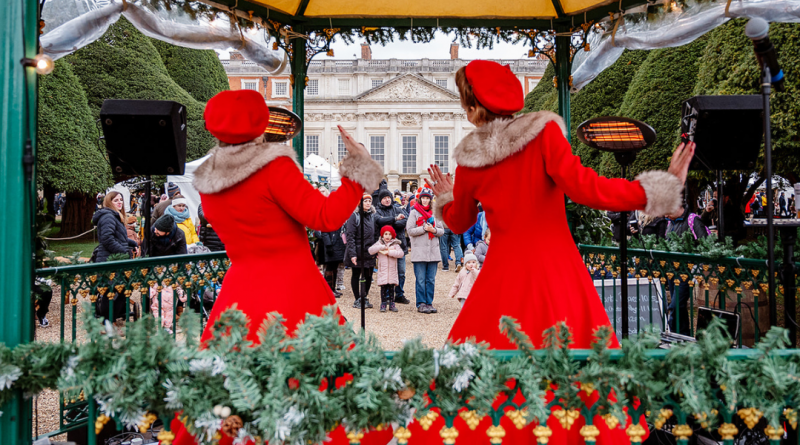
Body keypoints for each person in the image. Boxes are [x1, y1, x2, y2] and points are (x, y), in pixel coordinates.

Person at [423, 59, 693, 445]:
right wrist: (657, 190)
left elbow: (459, 223)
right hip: (556, 271)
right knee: (579, 369)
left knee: (486, 378)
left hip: (502, 278)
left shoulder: (471, 160)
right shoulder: (545, 134)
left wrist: (445, 195)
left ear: (472, 107)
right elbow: (588, 188)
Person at [171, 90, 385, 445]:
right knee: (319, 378)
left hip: (239, 290)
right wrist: (356, 169)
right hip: (292, 287)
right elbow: (326, 216)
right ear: (259, 125)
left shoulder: (207, 181)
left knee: (228, 385)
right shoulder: (274, 166)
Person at [665, 205, 709, 335]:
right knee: (680, 307)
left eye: (667, 212)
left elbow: (705, 243)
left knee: (675, 305)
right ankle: (682, 335)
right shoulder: (670, 222)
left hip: (686, 270)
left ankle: (673, 333)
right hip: (672, 270)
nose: (666, 216)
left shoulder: (693, 220)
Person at [406, 185, 444, 314]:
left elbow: (442, 230)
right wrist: (423, 229)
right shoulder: (414, 212)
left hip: (433, 252)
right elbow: (409, 230)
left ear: (430, 199)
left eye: (428, 198)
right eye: (423, 198)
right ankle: (421, 303)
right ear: (420, 199)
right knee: (421, 279)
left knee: (431, 279)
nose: (425, 201)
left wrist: (433, 230)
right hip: (419, 252)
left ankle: (429, 302)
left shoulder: (435, 213)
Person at [373, 189, 411, 304]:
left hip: (399, 246)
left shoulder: (397, 208)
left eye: (388, 197)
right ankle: (388, 296)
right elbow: (379, 221)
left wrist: (389, 223)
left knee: (401, 272)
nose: (387, 199)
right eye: (384, 198)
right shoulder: (377, 211)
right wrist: (395, 219)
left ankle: (399, 294)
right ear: (381, 199)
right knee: (387, 272)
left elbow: (405, 222)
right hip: (385, 248)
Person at [344, 194, 377, 309]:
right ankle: (357, 298)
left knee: (368, 275)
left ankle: (364, 296)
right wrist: (352, 254)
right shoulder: (354, 216)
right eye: (365, 201)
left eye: (369, 201)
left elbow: (376, 233)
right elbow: (350, 236)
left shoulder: (373, 216)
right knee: (356, 275)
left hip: (370, 251)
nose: (368, 203)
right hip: (357, 251)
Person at [92, 191, 138, 263]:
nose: (120, 202)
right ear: (109, 202)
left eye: (121, 200)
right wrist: (124, 252)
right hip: (109, 259)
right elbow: (107, 239)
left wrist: (133, 243)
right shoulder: (108, 217)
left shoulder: (115, 216)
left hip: (114, 258)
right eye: (116, 200)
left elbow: (119, 238)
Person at [368, 225, 404, 312]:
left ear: (392, 235)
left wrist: (390, 252)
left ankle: (392, 303)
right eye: (385, 234)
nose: (387, 236)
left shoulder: (395, 244)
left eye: (389, 234)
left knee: (391, 287)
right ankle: (383, 303)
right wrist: (382, 247)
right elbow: (370, 250)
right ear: (382, 235)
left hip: (392, 270)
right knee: (383, 287)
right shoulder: (379, 243)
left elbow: (401, 253)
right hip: (383, 270)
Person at [320, 224, 347, 298]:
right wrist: (328, 244)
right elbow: (324, 232)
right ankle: (328, 290)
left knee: (335, 267)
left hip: (338, 245)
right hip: (331, 244)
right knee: (329, 267)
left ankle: (332, 288)